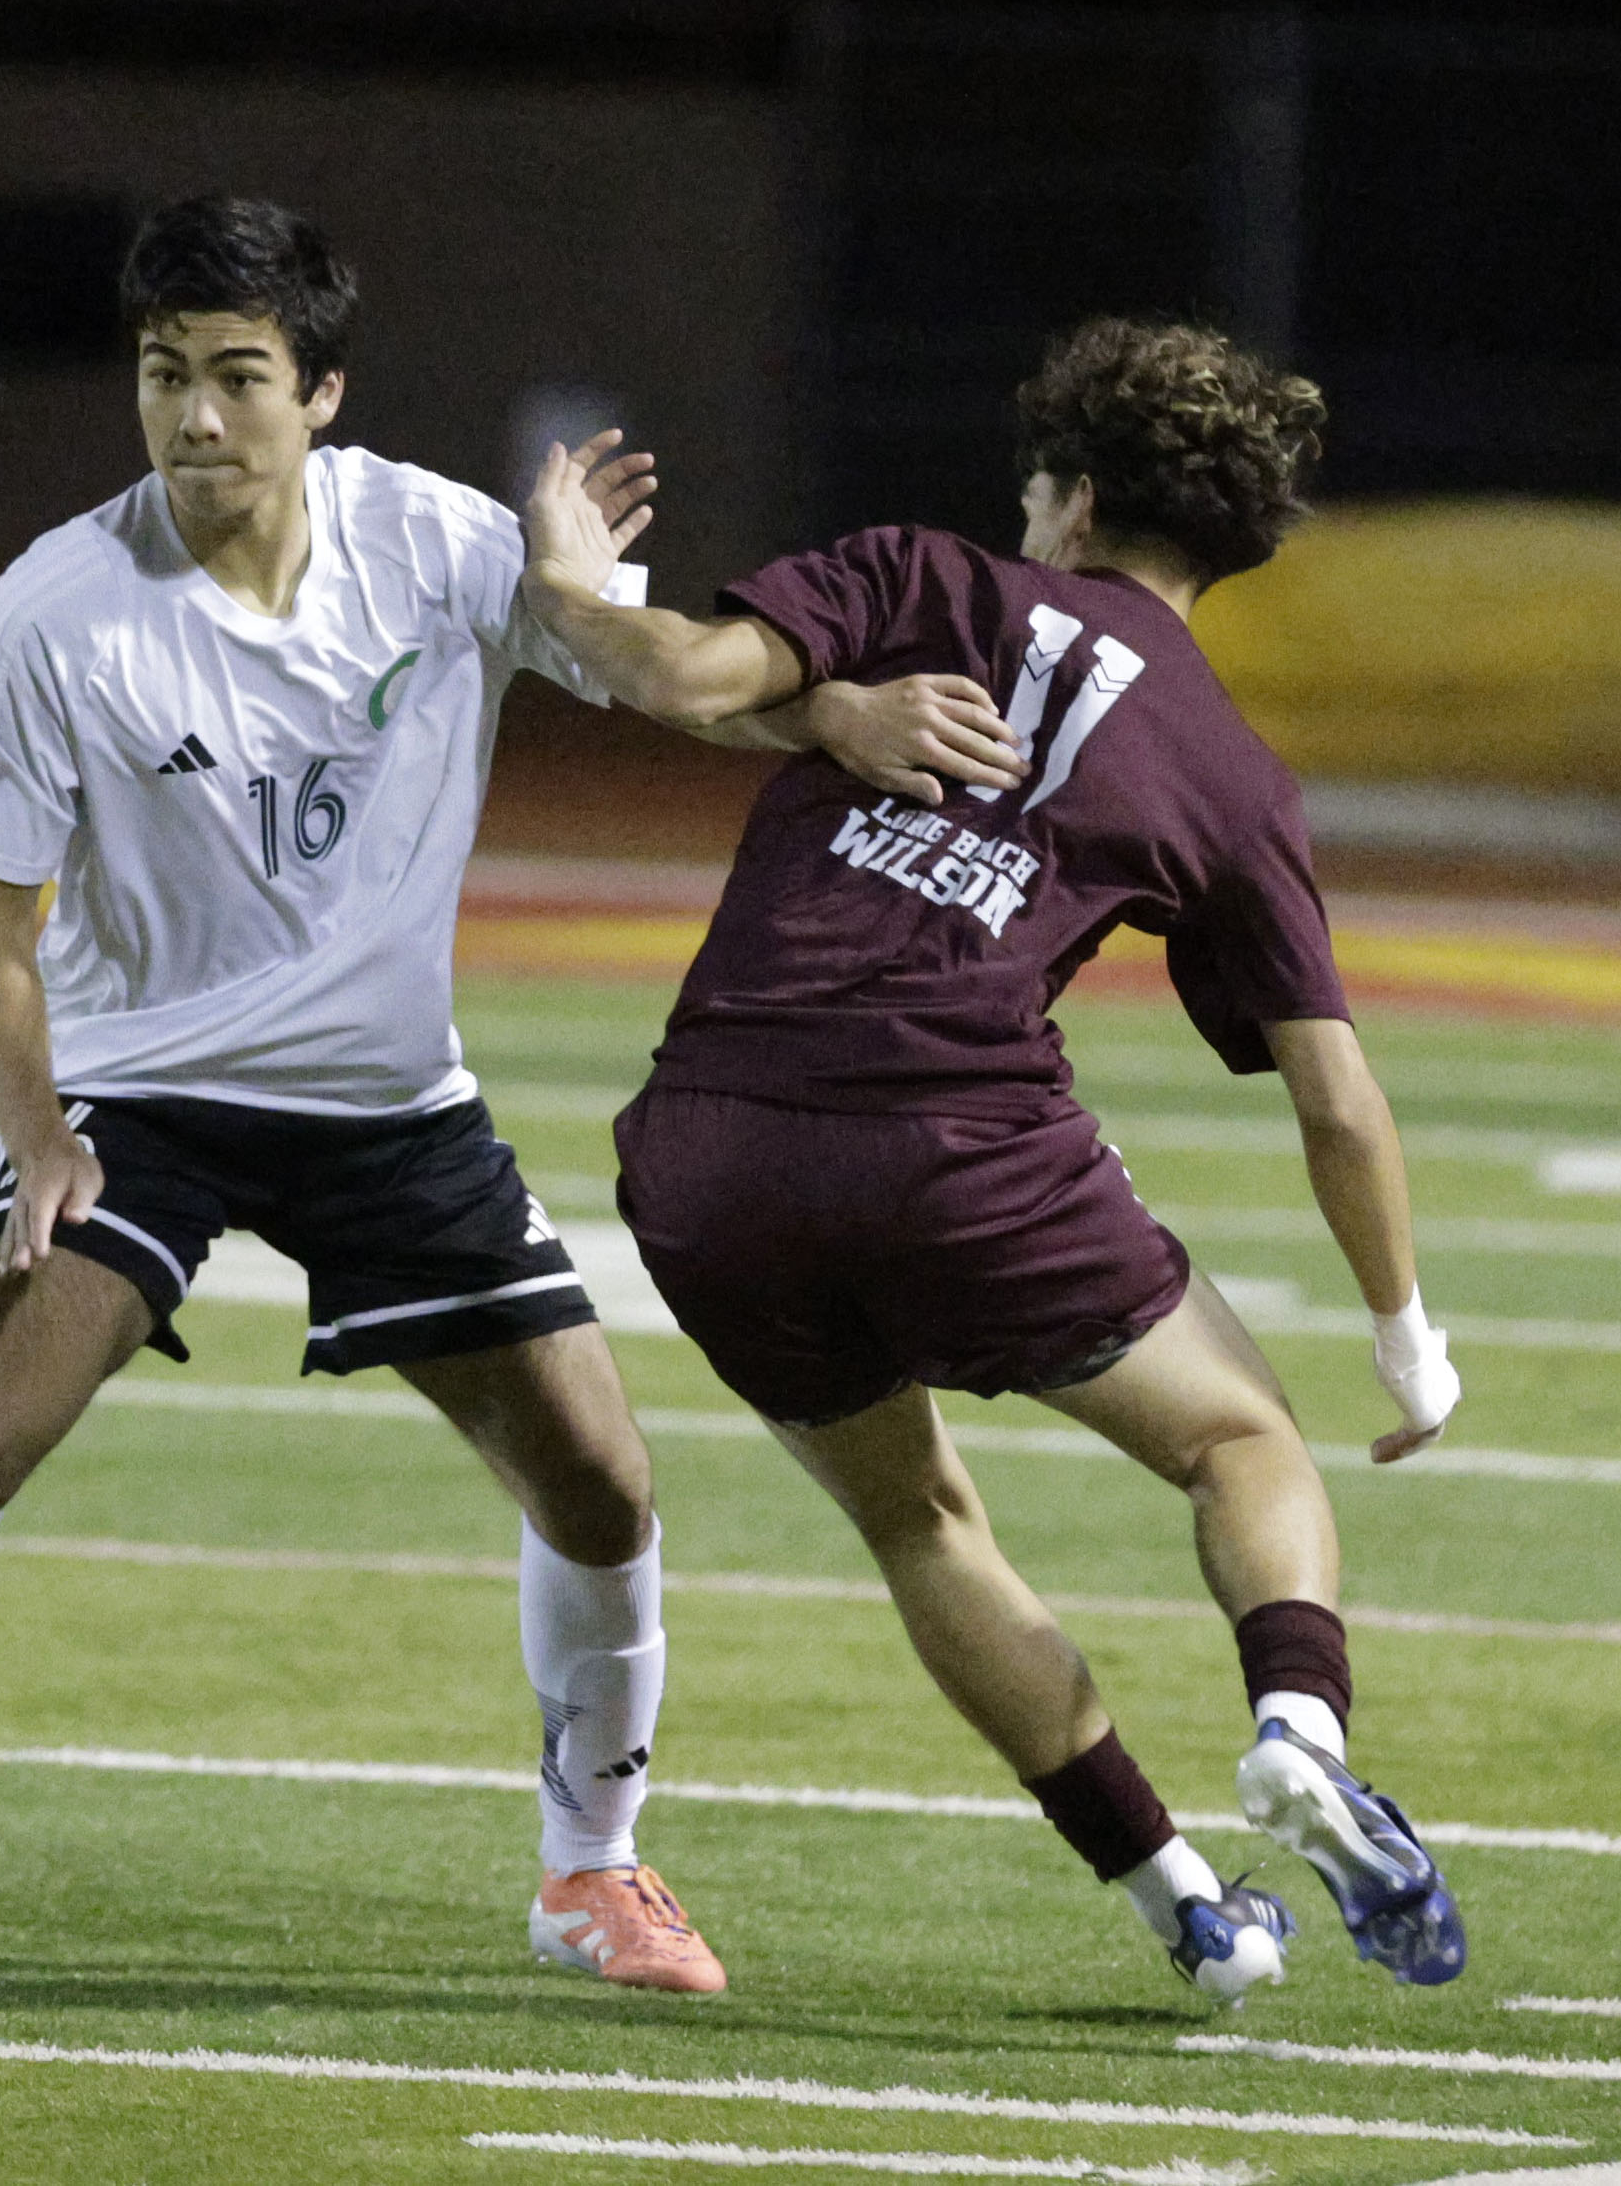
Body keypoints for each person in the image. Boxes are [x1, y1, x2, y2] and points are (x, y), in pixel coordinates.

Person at [0, 196, 781, 1988]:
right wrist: (38, 1137)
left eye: (238, 377)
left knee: (604, 1483)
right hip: (138, 1093)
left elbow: (665, 686)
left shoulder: (442, 546)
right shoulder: (56, 612)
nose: (194, 416)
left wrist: (784, 686)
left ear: (320, 390)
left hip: (391, 1104)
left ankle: (593, 1870)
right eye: (165, 373)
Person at [508, 316, 1469, 2005]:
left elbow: (669, 682)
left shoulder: (918, 574)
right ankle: (1300, 1729)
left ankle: (1184, 1903)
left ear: (1079, 497)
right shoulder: (1230, 771)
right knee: (1246, 1436)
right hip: (956, 1143)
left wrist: (583, 578)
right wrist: (1407, 1336)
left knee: (921, 1520)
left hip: (709, 1150)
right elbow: (1337, 1098)